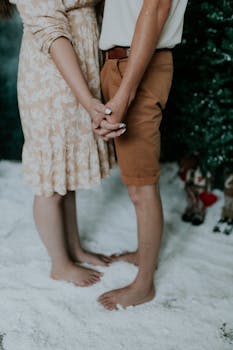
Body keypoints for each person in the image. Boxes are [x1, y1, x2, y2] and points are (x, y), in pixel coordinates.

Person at [0, 0, 124, 287]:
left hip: (82, 77)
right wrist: (87, 99)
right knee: (50, 182)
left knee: (64, 174)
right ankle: (60, 263)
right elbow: (52, 34)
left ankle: (74, 248)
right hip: (52, 80)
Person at [96, 0, 188, 309]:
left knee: (142, 183)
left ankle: (144, 283)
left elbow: (157, 9)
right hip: (119, 62)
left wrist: (125, 93)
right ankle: (143, 253)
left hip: (139, 65)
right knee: (135, 178)